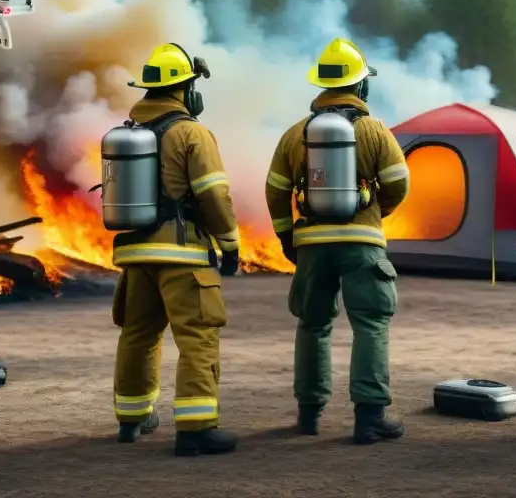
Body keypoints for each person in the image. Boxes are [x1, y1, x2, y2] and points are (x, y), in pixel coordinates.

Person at [264, 37, 411, 445]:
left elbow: (275, 190)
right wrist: (373, 211)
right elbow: (399, 183)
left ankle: (309, 415)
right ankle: (369, 419)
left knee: (313, 324)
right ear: (361, 85)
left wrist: (286, 235)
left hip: (312, 244)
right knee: (370, 324)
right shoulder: (374, 130)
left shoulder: (296, 134)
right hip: (362, 242)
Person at [109, 43, 241, 457]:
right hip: (183, 256)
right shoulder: (191, 133)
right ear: (184, 89)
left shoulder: (130, 132)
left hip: (136, 255)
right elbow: (214, 195)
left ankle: (131, 419)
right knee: (197, 336)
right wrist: (230, 243)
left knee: (138, 334)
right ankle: (196, 429)